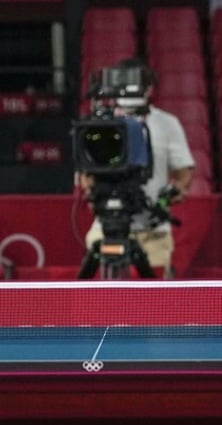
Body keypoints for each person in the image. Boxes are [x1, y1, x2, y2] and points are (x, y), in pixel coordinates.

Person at [80, 58, 194, 278]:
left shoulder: (167, 123)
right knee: (97, 303)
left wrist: (173, 193)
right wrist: (92, 193)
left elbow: (184, 172)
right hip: (105, 229)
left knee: (155, 307)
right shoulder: (99, 124)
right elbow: (87, 174)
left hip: (153, 233)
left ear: (148, 86)